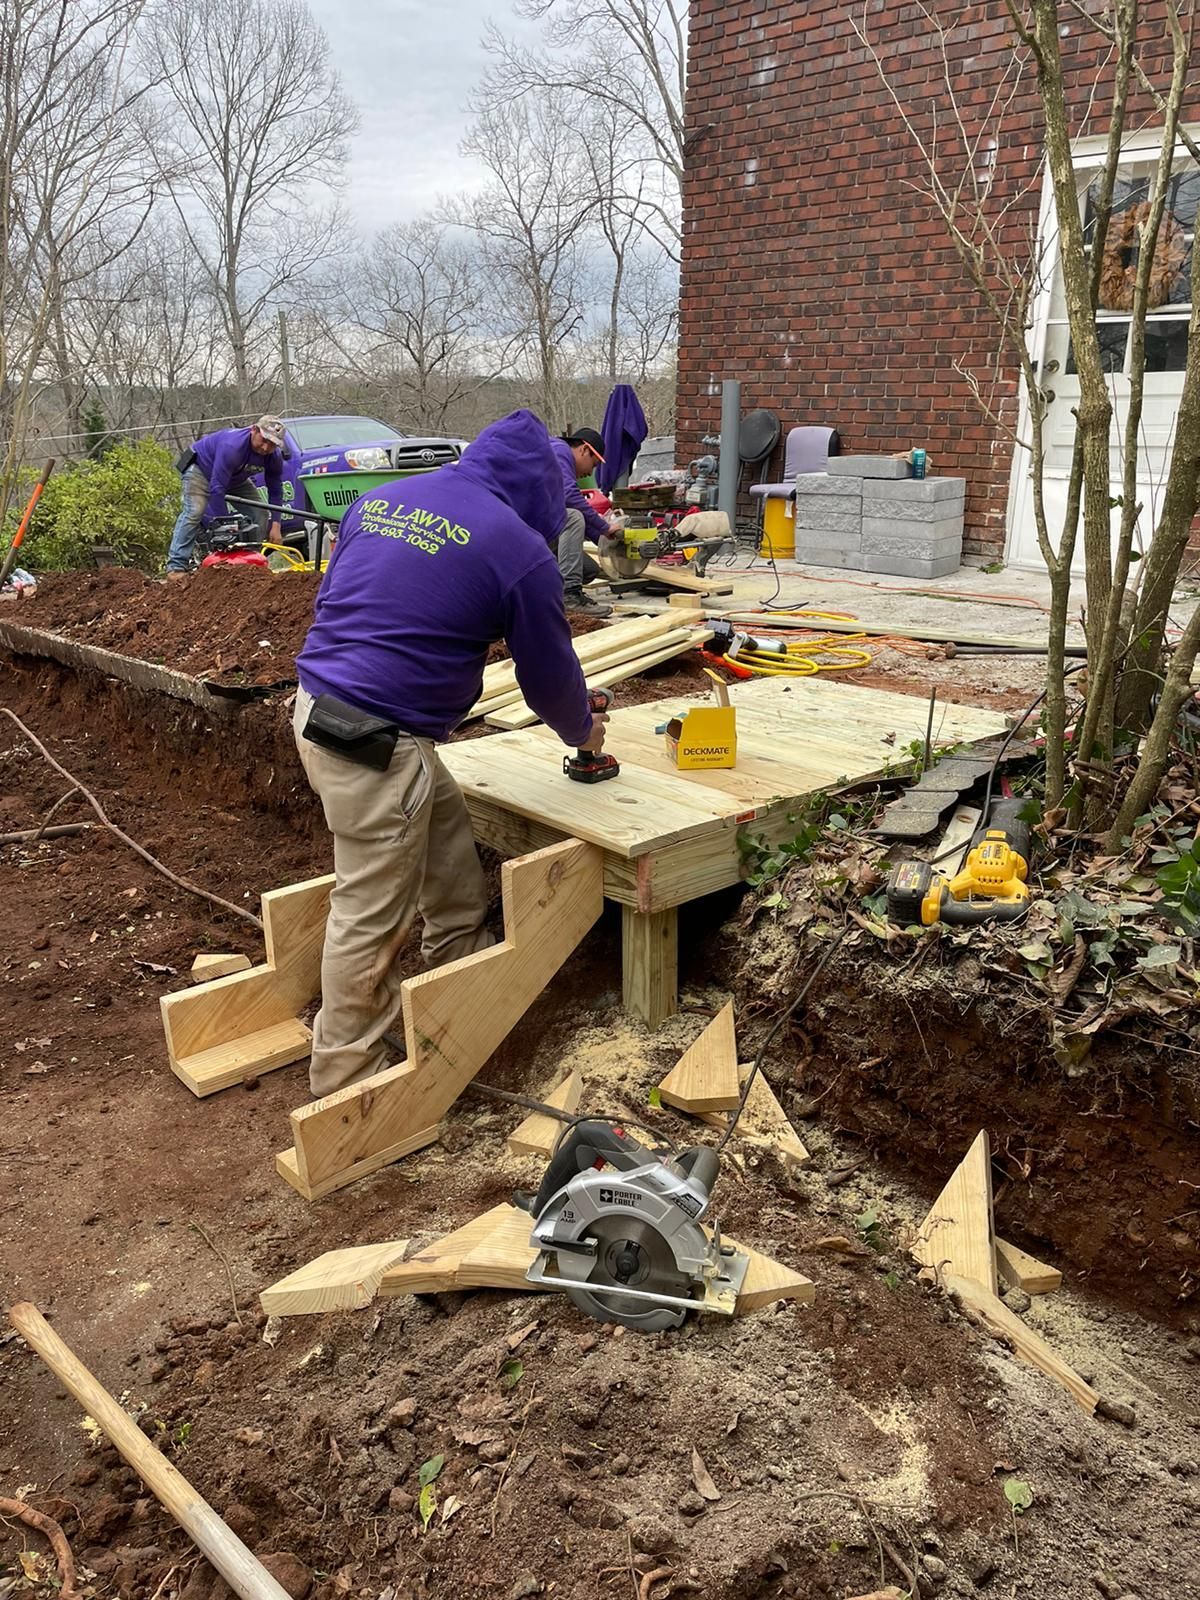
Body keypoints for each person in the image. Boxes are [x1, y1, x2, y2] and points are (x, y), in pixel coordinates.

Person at [292, 409, 608, 1098]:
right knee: (371, 910)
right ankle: (347, 1083)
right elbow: (548, 678)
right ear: (536, 487)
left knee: (447, 850)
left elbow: (339, 599)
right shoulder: (517, 550)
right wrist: (584, 732)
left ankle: (456, 993)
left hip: (316, 704)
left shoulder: (380, 502)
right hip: (375, 737)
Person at [166, 416, 286, 573]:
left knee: (260, 513)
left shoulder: (273, 457)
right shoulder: (232, 446)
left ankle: (251, 564)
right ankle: (176, 567)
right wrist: (226, 526)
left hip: (236, 478)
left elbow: (276, 489)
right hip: (201, 471)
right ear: (254, 430)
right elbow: (217, 488)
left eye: (272, 445)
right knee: (194, 512)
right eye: (264, 440)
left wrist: (276, 525)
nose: (265, 448)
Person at [550, 425, 617, 616]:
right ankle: (569, 597)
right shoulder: (559, 451)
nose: (590, 473)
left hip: (531, 525)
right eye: (594, 465)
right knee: (574, 516)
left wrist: (603, 538)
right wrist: (604, 527)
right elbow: (569, 497)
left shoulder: (556, 457)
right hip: (515, 524)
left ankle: (544, 591)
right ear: (584, 450)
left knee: (587, 570)